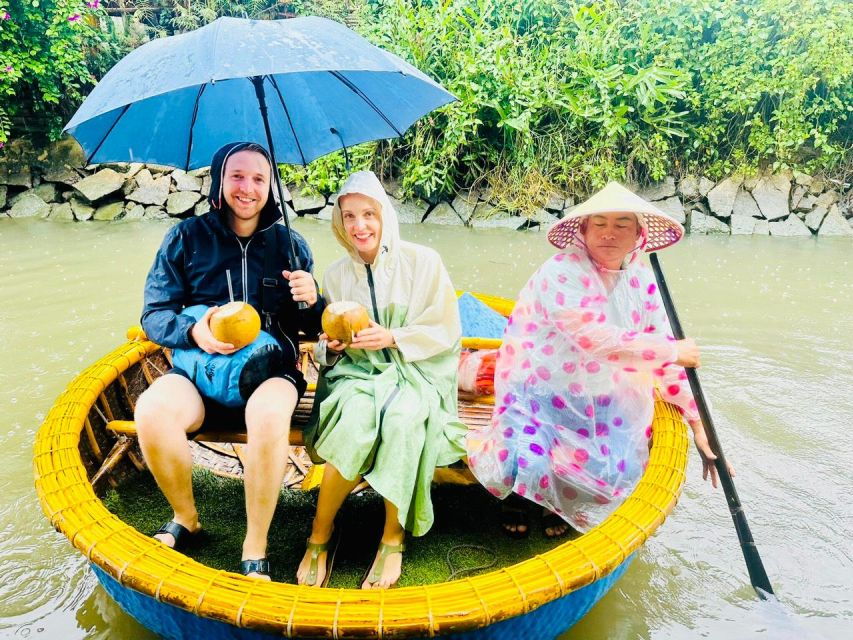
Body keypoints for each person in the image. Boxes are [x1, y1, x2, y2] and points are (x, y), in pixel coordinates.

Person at [466, 182, 734, 538]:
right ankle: (519, 501)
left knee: (613, 466)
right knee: (526, 460)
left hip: (598, 394)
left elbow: (666, 359)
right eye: (600, 224)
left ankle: (559, 504)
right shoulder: (561, 271)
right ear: (584, 230)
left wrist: (700, 424)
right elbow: (595, 338)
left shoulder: (643, 281)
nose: (610, 233)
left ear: (639, 233)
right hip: (540, 388)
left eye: (622, 224)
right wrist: (671, 349)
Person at [135, 141, 324, 580]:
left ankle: (254, 545)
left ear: (271, 187)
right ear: (219, 182)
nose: (247, 187)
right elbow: (153, 314)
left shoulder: (290, 246)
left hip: (271, 374)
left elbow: (313, 327)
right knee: (152, 410)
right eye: (237, 176)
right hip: (198, 373)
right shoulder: (185, 238)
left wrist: (312, 298)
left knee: (269, 414)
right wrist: (193, 331)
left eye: (259, 178)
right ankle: (186, 518)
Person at [298, 171, 465, 589]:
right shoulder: (335, 276)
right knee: (353, 418)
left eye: (369, 214)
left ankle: (392, 536)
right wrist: (331, 347)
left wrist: (395, 336)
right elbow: (327, 344)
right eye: (349, 215)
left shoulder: (423, 261)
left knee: (403, 419)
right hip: (359, 374)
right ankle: (320, 533)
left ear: (385, 216)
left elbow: (446, 329)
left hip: (418, 373)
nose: (360, 226)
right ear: (338, 222)